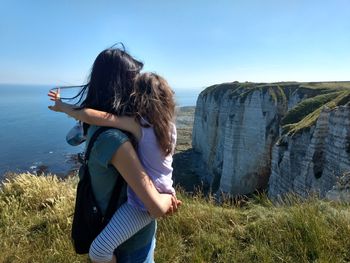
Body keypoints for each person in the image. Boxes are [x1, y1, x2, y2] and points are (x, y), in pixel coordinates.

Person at [48, 46, 180, 263]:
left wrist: (63, 107)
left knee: (99, 251)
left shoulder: (132, 127)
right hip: (137, 238)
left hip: (139, 224)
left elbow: (92, 118)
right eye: (132, 80)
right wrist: (166, 196)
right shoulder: (165, 127)